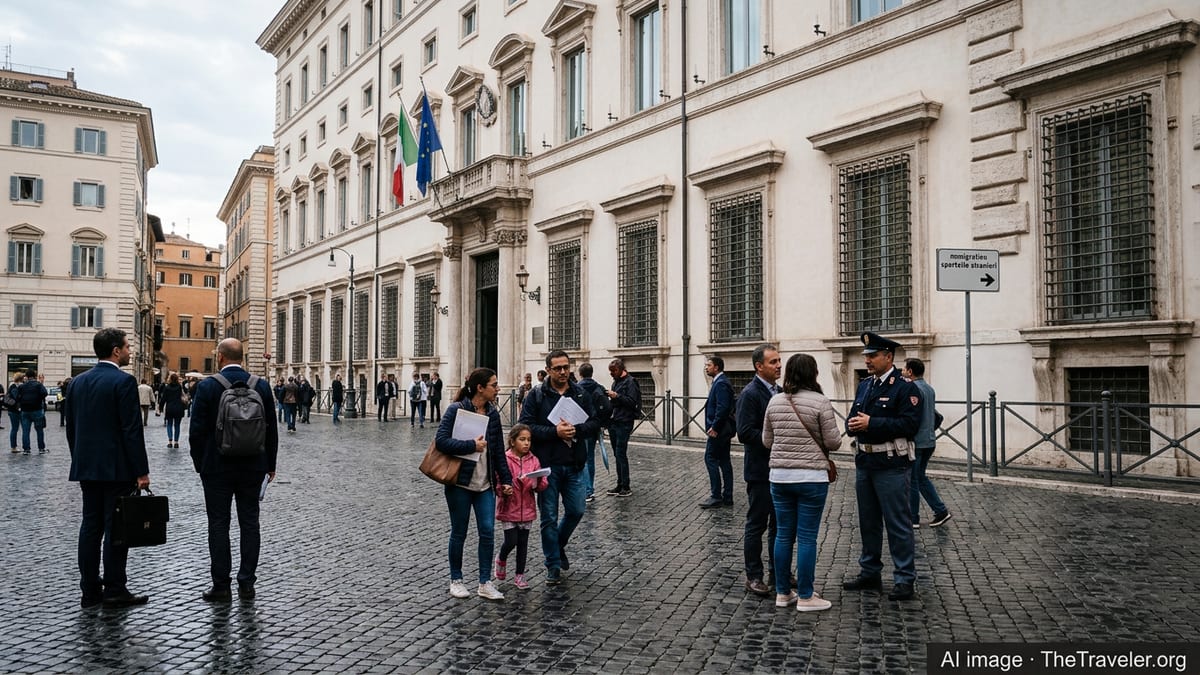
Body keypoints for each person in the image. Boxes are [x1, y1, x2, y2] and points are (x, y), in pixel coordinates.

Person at [67, 328, 152, 608]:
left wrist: (79, 458)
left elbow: (72, 428)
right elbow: (131, 431)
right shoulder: (123, 382)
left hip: (87, 466)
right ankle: (115, 588)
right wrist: (141, 471)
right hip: (116, 468)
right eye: (127, 347)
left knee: (90, 526)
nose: (130, 351)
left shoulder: (78, 383)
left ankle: (89, 590)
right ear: (116, 350)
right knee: (116, 529)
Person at [189, 338, 279, 602]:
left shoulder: (206, 387)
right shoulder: (261, 386)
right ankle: (247, 584)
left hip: (216, 468)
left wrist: (200, 464)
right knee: (250, 523)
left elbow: (196, 432)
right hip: (253, 466)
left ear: (220, 357)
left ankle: (221, 585)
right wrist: (270, 465)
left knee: (218, 524)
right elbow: (271, 429)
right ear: (244, 357)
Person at [843, 332, 922, 602]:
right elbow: (852, 417)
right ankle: (870, 572)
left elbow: (910, 425)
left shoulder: (905, 387)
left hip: (891, 464)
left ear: (889, 357)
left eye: (872, 355)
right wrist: (853, 425)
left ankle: (904, 578)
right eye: (866, 355)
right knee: (868, 522)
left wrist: (872, 424)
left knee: (898, 523)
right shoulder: (865, 386)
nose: (867, 360)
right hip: (865, 462)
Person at [763, 353, 842, 612]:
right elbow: (833, 443)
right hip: (811, 477)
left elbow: (766, 441)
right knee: (807, 537)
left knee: (783, 535)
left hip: (780, 477)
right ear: (813, 374)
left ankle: (783, 593)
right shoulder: (820, 402)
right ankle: (806, 595)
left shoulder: (774, 401)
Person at [518, 350, 599, 585]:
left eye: (566, 367)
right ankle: (552, 564)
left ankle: (558, 544)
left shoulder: (581, 394)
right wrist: (555, 432)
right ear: (549, 370)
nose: (563, 372)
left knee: (577, 510)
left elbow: (594, 422)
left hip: (574, 464)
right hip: (547, 466)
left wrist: (577, 429)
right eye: (558, 368)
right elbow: (525, 426)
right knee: (549, 518)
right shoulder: (537, 395)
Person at [435, 368, 513, 601]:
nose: (498, 389)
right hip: (460, 482)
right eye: (494, 385)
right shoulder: (456, 409)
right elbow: (441, 442)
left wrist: (506, 480)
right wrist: (471, 445)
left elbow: (499, 450)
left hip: (485, 484)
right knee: (459, 532)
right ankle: (456, 580)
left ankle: (484, 582)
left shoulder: (493, 414)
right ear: (480, 388)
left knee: (487, 532)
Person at [737, 343, 782, 598]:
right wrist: (776, 439)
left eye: (778, 361)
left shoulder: (780, 391)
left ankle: (779, 572)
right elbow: (744, 432)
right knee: (757, 524)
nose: (778, 366)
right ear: (759, 366)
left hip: (779, 469)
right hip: (760, 471)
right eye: (773, 362)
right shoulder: (750, 394)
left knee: (779, 524)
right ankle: (754, 575)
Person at [495, 423, 547, 591]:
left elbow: (542, 484)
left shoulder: (534, 460)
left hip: (527, 508)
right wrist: (504, 489)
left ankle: (520, 575)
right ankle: (501, 558)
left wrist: (537, 482)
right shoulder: (505, 459)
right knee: (511, 540)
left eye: (529, 440)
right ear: (512, 441)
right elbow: (498, 481)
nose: (526, 443)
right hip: (509, 507)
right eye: (522, 439)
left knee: (523, 543)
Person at [904, 358, 951, 529]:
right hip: (930, 440)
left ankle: (913, 518)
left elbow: (913, 415)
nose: (902, 371)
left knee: (913, 479)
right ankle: (940, 511)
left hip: (918, 441)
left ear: (910, 372)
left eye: (904, 368)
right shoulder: (929, 388)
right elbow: (936, 414)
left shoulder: (913, 388)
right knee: (921, 477)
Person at [700, 355, 736, 509]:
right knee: (724, 461)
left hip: (719, 431)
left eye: (708, 365)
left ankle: (716, 495)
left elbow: (722, 408)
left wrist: (714, 427)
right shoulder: (720, 382)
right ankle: (727, 496)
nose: (706, 367)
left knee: (710, 458)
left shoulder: (721, 383)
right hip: (722, 430)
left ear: (716, 367)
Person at [604, 359, 641, 498]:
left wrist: (617, 396)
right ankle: (620, 484)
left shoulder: (630, 382)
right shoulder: (616, 381)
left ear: (620, 369)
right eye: (610, 371)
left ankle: (626, 485)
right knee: (616, 454)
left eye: (613, 371)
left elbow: (632, 401)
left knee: (621, 453)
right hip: (615, 421)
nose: (611, 374)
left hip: (625, 421)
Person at [574, 363, 608, 503]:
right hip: (594, 427)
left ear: (580, 374)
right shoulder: (599, 387)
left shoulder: (576, 388)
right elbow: (607, 407)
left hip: (582, 427)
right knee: (590, 459)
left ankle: (587, 491)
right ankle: (590, 488)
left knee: (582, 459)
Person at [16, 368, 49, 454]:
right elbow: (45, 393)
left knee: (26, 431)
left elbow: (17, 397)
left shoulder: (22, 386)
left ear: (26, 376)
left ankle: (26, 449)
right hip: (37, 410)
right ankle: (41, 448)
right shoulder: (38, 385)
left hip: (25, 411)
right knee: (39, 430)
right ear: (34, 376)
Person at [158, 373, 186, 449]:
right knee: (177, 425)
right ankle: (176, 442)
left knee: (169, 424)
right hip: (178, 408)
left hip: (169, 408)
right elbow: (182, 396)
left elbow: (163, 399)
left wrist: (160, 407)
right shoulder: (179, 387)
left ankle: (170, 442)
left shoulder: (167, 388)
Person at [6, 373, 24, 452]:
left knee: (14, 429)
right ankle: (14, 447)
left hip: (11, 410)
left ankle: (13, 446)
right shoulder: (16, 387)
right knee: (16, 429)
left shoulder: (11, 386)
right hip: (16, 410)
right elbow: (17, 398)